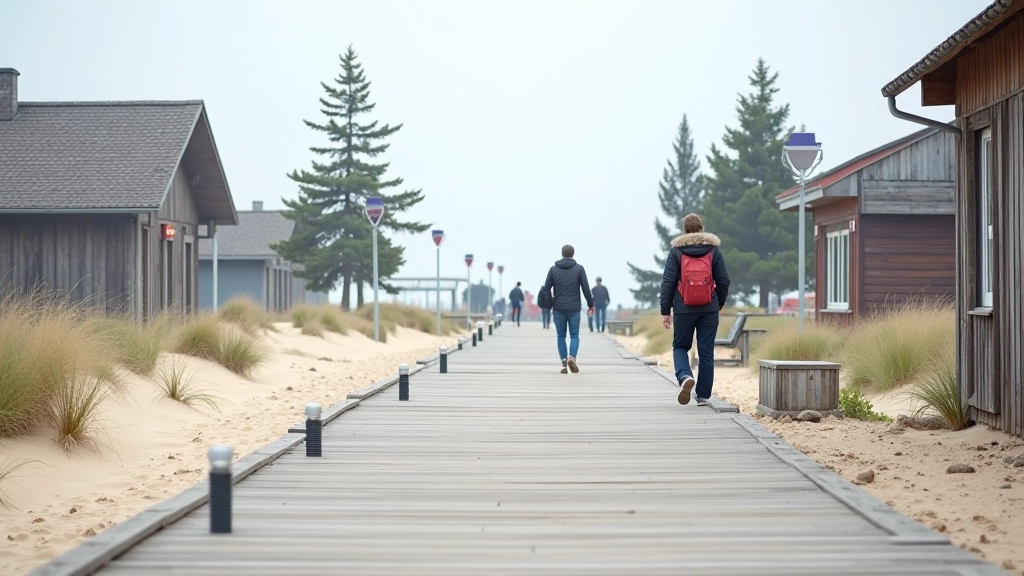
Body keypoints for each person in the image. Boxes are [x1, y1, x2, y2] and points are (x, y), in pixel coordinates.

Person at [660, 213, 730, 406]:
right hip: (709, 308)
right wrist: (719, 303)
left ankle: (684, 376)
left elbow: (667, 283)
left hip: (683, 308)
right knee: (706, 351)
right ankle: (703, 396)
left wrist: (666, 311)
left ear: (684, 229)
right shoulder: (713, 251)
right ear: (702, 228)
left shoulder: (676, 252)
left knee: (680, 346)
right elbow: (724, 280)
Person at [543, 244, 594, 373]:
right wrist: (590, 305)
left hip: (558, 307)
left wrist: (549, 304)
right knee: (574, 335)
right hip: (574, 308)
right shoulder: (579, 269)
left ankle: (564, 364)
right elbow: (586, 288)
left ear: (562, 253)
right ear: (573, 254)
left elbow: (546, 289)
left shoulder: (553, 270)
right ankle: (572, 357)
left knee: (561, 335)